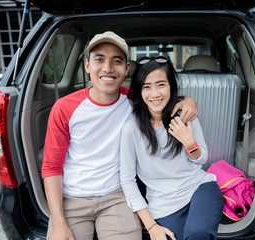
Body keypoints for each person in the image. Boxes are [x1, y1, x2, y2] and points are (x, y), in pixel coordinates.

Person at [41, 31, 198, 240]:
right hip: (72, 198)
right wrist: (58, 221)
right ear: (87, 65)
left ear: (126, 69)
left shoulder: (135, 100)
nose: (107, 68)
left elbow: (161, 97)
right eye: (99, 60)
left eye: (116, 61)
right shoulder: (64, 108)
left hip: (116, 196)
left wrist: (188, 101)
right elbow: (51, 168)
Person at [120, 56, 224, 240]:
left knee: (198, 234)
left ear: (171, 86)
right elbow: (127, 180)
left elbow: (202, 159)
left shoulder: (184, 116)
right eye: (147, 87)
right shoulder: (131, 129)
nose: (155, 94)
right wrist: (151, 226)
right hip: (163, 204)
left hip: (199, 188)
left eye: (161, 85)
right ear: (139, 91)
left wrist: (189, 144)